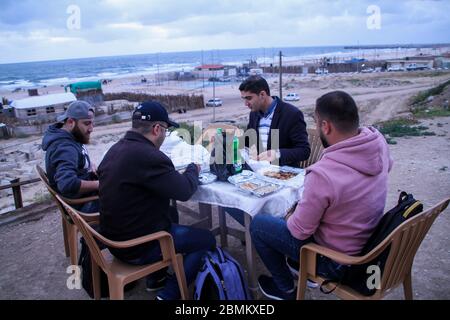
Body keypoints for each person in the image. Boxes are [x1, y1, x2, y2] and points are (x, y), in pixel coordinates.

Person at [250, 91, 393, 300]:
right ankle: (298, 266)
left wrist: (290, 214)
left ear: (325, 126)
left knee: (260, 224)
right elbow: (387, 167)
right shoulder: (378, 143)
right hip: (368, 241)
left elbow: (299, 231)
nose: (318, 128)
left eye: (317, 124)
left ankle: (285, 289)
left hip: (337, 261)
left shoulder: (324, 173)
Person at [97, 101, 216, 300]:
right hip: (137, 247)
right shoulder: (150, 156)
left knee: (171, 212)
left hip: (113, 240)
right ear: (156, 128)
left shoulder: (115, 149)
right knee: (207, 240)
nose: (165, 136)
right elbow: (184, 191)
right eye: (166, 131)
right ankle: (168, 295)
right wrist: (192, 169)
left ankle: (156, 279)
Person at [225, 75, 310, 225]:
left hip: (283, 175)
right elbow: (249, 139)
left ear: (262, 95)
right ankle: (256, 231)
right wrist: (227, 141)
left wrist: (276, 153)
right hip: (260, 172)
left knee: (237, 197)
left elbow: (304, 151)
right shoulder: (254, 113)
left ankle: (259, 231)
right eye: (243, 99)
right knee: (228, 196)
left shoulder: (292, 114)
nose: (246, 103)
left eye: (249, 98)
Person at [42, 100, 99, 213]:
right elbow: (67, 184)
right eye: (87, 123)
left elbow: (73, 160)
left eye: (92, 123)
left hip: (81, 199)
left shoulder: (69, 136)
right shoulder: (65, 147)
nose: (91, 128)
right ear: (70, 122)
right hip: (82, 206)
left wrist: (87, 164)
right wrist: (100, 184)